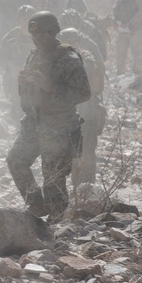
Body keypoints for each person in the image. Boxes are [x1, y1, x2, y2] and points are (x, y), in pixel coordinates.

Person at [6, 12, 90, 221]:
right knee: (16, 159)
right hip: (34, 122)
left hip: (59, 126)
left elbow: (83, 93)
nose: (37, 39)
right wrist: (24, 82)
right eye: (33, 35)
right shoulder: (34, 55)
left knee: (53, 177)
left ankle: (57, 220)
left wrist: (51, 87)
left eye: (41, 35)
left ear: (53, 33)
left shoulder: (68, 59)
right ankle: (36, 203)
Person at [57, 27, 106, 186]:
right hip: (68, 114)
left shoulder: (87, 59)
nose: (69, 46)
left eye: (72, 42)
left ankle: (87, 191)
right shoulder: (58, 60)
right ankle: (76, 191)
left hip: (87, 113)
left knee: (87, 153)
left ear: (77, 42)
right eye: (65, 43)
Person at [0, 5, 36, 124]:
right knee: (18, 114)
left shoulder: (43, 36)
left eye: (29, 19)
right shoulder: (10, 37)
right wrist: (10, 64)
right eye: (23, 19)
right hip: (17, 83)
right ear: (18, 21)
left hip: (37, 83)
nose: (26, 23)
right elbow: (0, 59)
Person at [111, 0, 142, 87]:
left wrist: (131, 24)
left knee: (137, 53)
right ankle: (120, 77)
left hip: (136, 30)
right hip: (123, 29)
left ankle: (138, 78)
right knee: (120, 53)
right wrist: (114, 21)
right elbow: (115, 9)